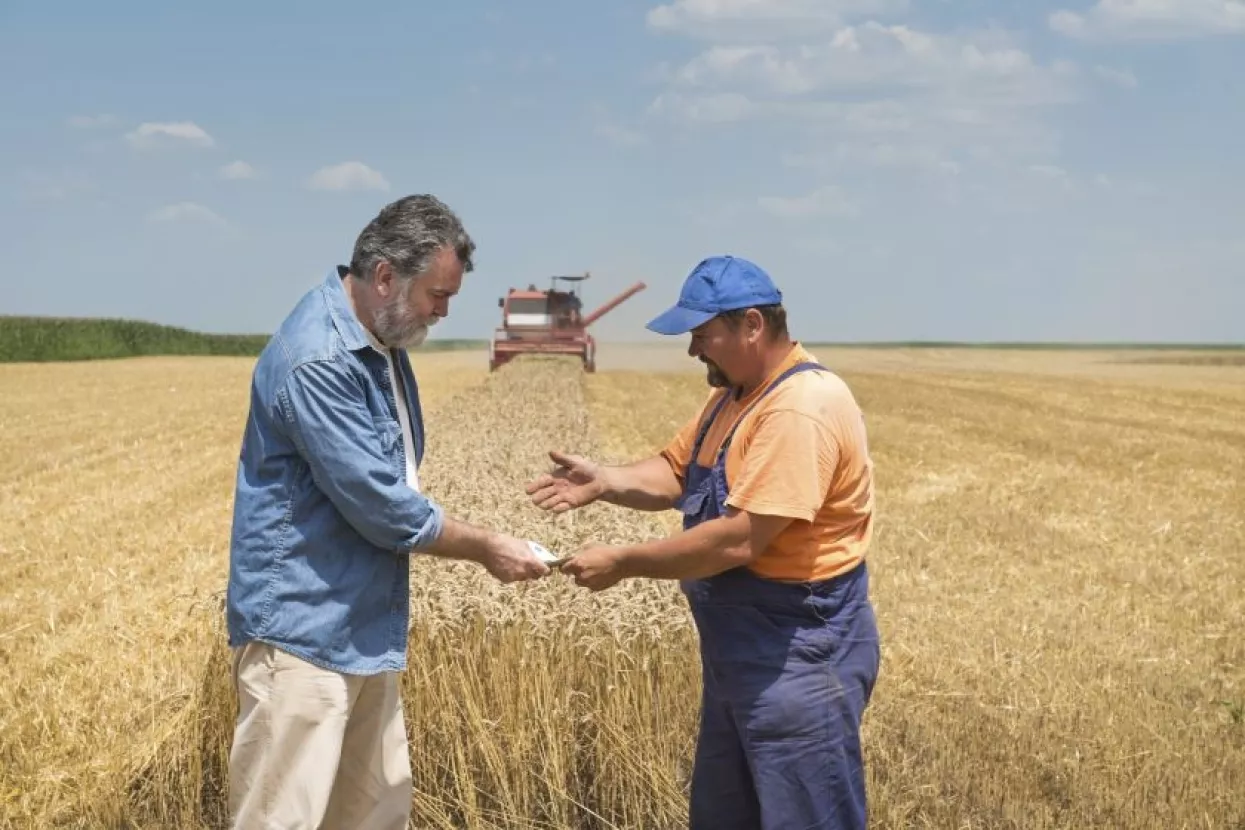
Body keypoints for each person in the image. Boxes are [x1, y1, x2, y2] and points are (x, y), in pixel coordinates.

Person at [225, 194, 550, 830]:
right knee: (282, 818)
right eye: (437, 294)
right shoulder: (319, 358)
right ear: (383, 277)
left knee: (375, 813)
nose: (443, 310)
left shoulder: (380, 342)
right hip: (302, 634)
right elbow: (381, 507)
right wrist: (487, 545)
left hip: (359, 625)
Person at [525, 254, 881, 830]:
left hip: (800, 657)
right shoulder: (736, 395)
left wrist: (623, 561)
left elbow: (739, 540)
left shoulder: (800, 407)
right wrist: (606, 480)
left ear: (752, 326)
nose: (693, 350)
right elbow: (677, 470)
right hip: (741, 656)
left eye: (702, 334)